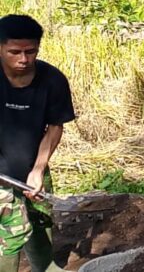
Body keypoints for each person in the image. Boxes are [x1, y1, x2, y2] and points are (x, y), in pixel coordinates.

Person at [0, 15, 74, 272]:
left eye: (30, 51)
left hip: (33, 165)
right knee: (10, 235)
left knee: (41, 223)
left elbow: (55, 127)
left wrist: (38, 169)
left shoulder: (52, 80)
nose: (23, 59)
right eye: (15, 52)